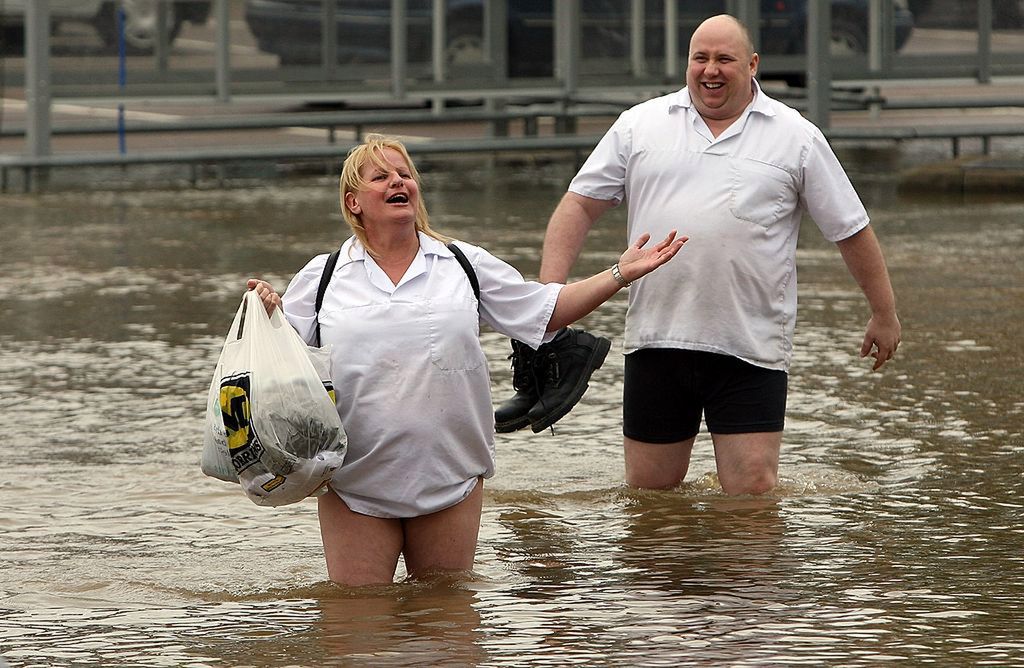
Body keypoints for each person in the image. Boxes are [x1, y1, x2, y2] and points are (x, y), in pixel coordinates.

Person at [246, 134, 687, 586]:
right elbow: (280, 370)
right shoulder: (322, 276)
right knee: (359, 629)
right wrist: (266, 314)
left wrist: (619, 274)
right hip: (355, 481)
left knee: (447, 624)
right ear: (353, 201)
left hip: (449, 477)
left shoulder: (461, 262)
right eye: (382, 176)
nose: (399, 181)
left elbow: (544, 310)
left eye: (405, 174)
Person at [533, 14, 901, 495]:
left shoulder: (796, 137)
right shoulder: (639, 126)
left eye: (724, 59)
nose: (710, 70)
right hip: (657, 339)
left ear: (752, 65)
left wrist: (884, 311)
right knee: (649, 499)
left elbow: (850, 229)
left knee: (752, 496)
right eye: (700, 58)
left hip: (751, 344)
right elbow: (578, 206)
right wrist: (549, 298)